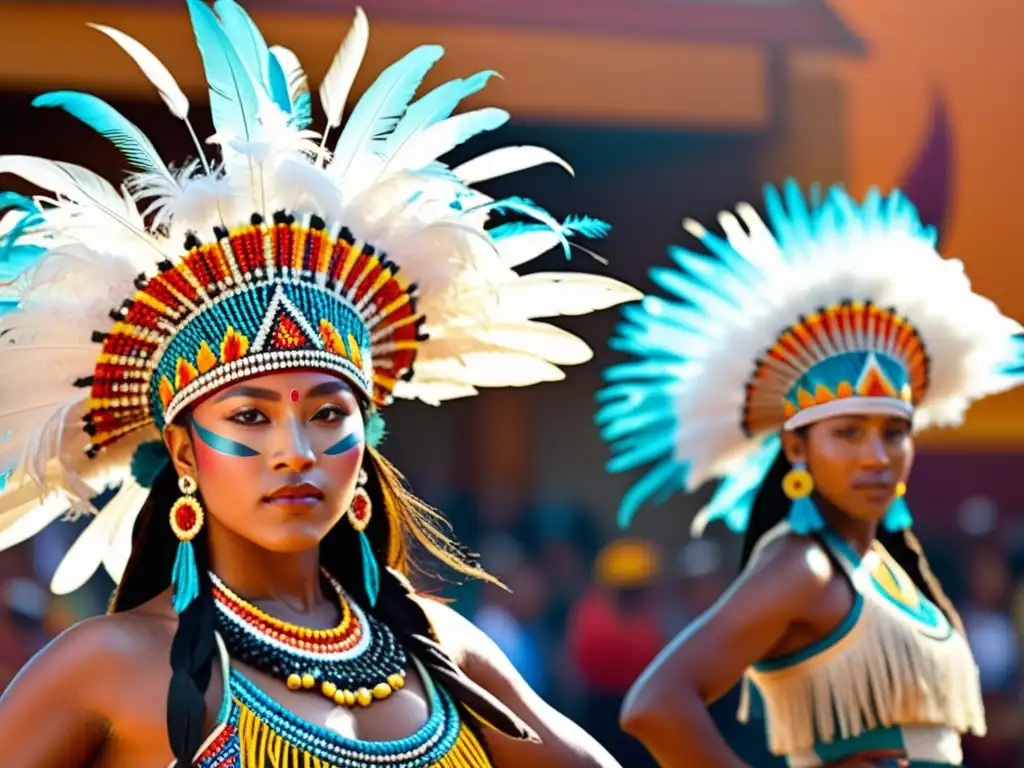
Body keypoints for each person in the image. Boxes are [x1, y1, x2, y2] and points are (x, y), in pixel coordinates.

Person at [0, 2, 641, 766]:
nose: (295, 451)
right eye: (250, 415)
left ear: (364, 437)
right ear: (181, 450)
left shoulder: (440, 650)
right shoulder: (106, 667)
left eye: (329, 413)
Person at [594, 181, 1024, 767]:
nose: (877, 454)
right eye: (848, 433)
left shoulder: (882, 568)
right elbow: (655, 704)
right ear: (796, 447)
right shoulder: (805, 567)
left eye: (893, 433)